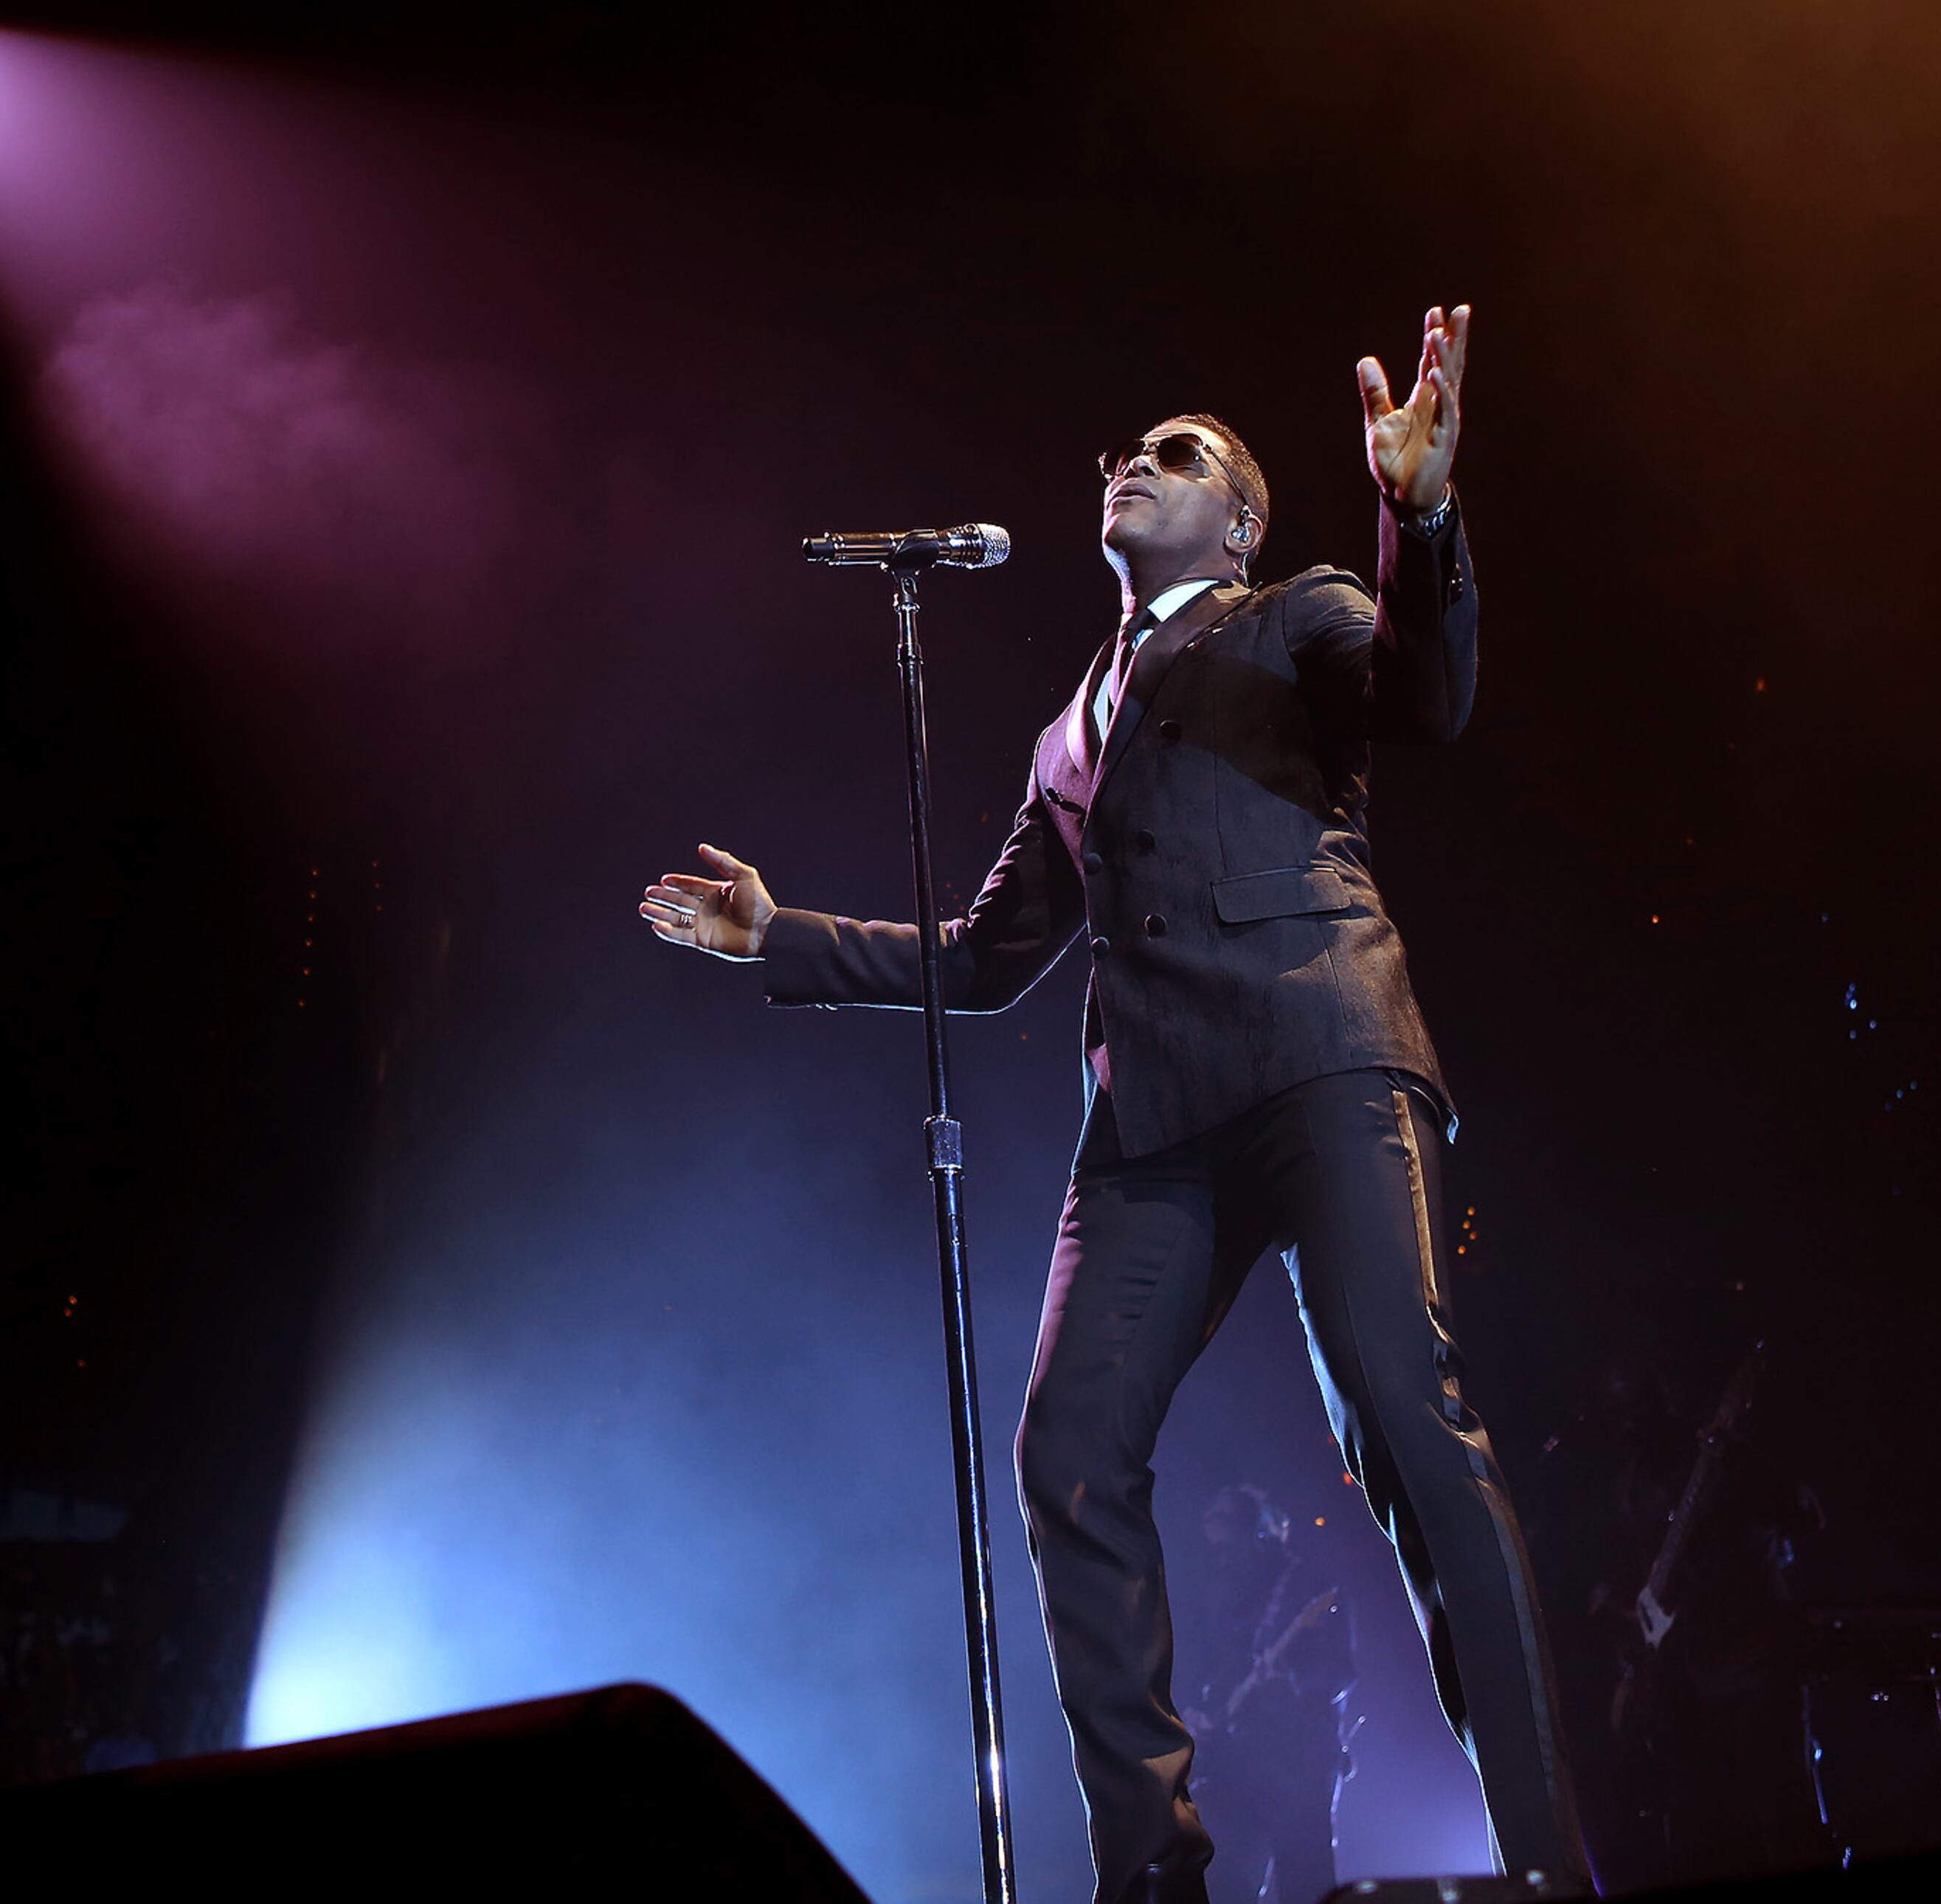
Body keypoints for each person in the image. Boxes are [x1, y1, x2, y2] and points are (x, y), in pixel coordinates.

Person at [638, 306, 1591, 1903]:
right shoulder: (1066, 732)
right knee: (1067, 1452)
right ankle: (1152, 1874)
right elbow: (991, 956)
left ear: (1238, 516)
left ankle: (1554, 1863)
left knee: (1405, 1418)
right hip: (1151, 1130)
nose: (1127, 469)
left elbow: (1430, 699)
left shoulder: (1299, 615)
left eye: (1174, 457)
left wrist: (1418, 514)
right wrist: (779, 935)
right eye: (1122, 455)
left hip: (1321, 1060)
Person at [1181, 1487, 1354, 1904]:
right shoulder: (1218, 1591)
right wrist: (1195, 1712)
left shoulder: (1303, 1587)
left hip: (1294, 1762)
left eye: (1225, 1530)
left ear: (1255, 1533)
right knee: (1222, 1882)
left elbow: (1337, 1673)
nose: (1218, 1550)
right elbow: (1207, 1665)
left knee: (1304, 1884)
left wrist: (1290, 1682)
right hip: (1233, 1759)